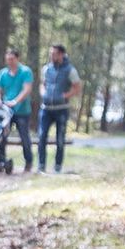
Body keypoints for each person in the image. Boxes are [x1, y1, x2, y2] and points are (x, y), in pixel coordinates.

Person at [37, 43, 82, 173]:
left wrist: (66, 95)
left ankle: (57, 166)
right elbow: (42, 84)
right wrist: (43, 93)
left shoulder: (70, 70)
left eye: (55, 54)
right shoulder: (46, 69)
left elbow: (77, 87)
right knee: (41, 137)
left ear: (61, 54)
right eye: (51, 53)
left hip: (61, 109)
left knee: (60, 139)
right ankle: (41, 165)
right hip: (46, 109)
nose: (52, 56)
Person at [0, 48, 35, 173]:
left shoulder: (25, 72)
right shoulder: (3, 73)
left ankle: (28, 163)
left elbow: (27, 89)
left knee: (24, 137)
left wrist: (16, 101)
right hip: (6, 111)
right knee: (1, 136)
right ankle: (0, 162)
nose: (10, 62)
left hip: (22, 111)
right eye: (8, 60)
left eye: (12, 59)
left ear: (17, 58)